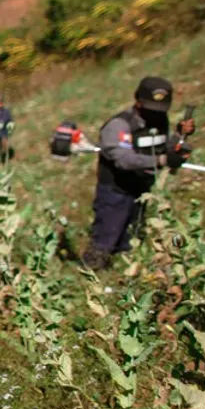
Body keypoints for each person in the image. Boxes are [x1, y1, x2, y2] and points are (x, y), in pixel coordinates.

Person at [81, 76, 194, 271]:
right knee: (105, 239)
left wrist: (179, 137)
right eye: (150, 109)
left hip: (141, 189)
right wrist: (163, 161)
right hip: (116, 191)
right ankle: (90, 277)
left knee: (131, 239)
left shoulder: (160, 121)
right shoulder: (118, 125)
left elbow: (158, 147)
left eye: (160, 110)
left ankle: (121, 278)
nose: (155, 114)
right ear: (138, 101)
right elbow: (124, 160)